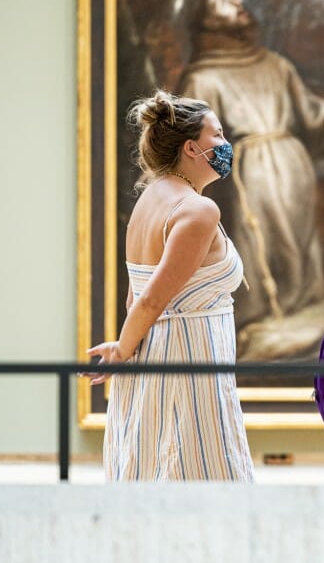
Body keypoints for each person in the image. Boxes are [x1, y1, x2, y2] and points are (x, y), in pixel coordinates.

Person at [178, 0, 324, 358]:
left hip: (293, 164)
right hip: (252, 170)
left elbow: (313, 115)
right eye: (224, 1)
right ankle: (265, 313)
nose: (238, 1)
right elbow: (191, 138)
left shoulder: (274, 64)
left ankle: (297, 309)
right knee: (263, 240)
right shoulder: (203, 77)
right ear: (208, 21)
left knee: (297, 237)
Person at [85, 90, 254, 482]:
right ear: (192, 148)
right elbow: (149, 300)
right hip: (189, 365)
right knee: (202, 478)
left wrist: (126, 349)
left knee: (151, 471)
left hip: (154, 361)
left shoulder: (150, 199)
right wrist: (122, 348)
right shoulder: (197, 209)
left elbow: (135, 297)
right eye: (219, 135)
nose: (227, 144)